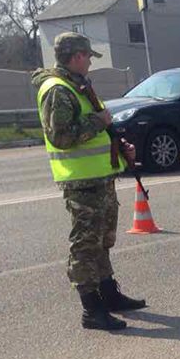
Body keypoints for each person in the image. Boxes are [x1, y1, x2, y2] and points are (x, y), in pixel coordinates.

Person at [32, 32, 145, 331]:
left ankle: (109, 295)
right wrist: (100, 121)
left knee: (102, 241)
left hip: (99, 178)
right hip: (81, 183)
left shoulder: (78, 85)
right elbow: (62, 136)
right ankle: (91, 310)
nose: (90, 63)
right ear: (77, 56)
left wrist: (121, 150)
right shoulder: (57, 89)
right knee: (85, 245)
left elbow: (99, 132)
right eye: (88, 57)